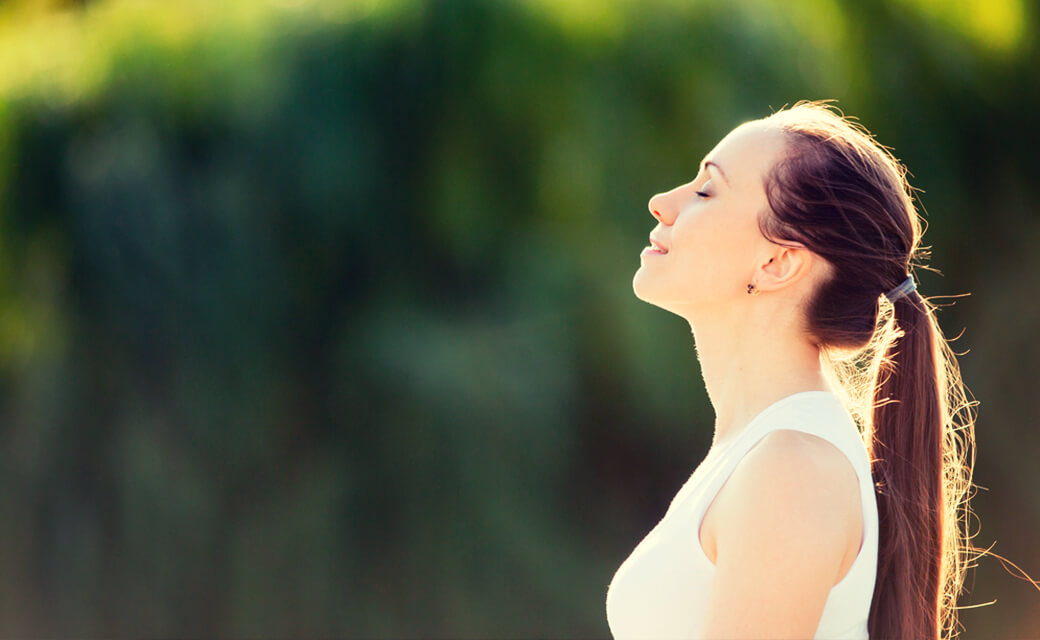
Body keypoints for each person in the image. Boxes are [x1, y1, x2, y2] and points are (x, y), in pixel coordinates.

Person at [605, 101, 977, 640]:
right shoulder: (762, 454)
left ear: (778, 262)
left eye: (706, 190)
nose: (662, 203)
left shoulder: (793, 467)